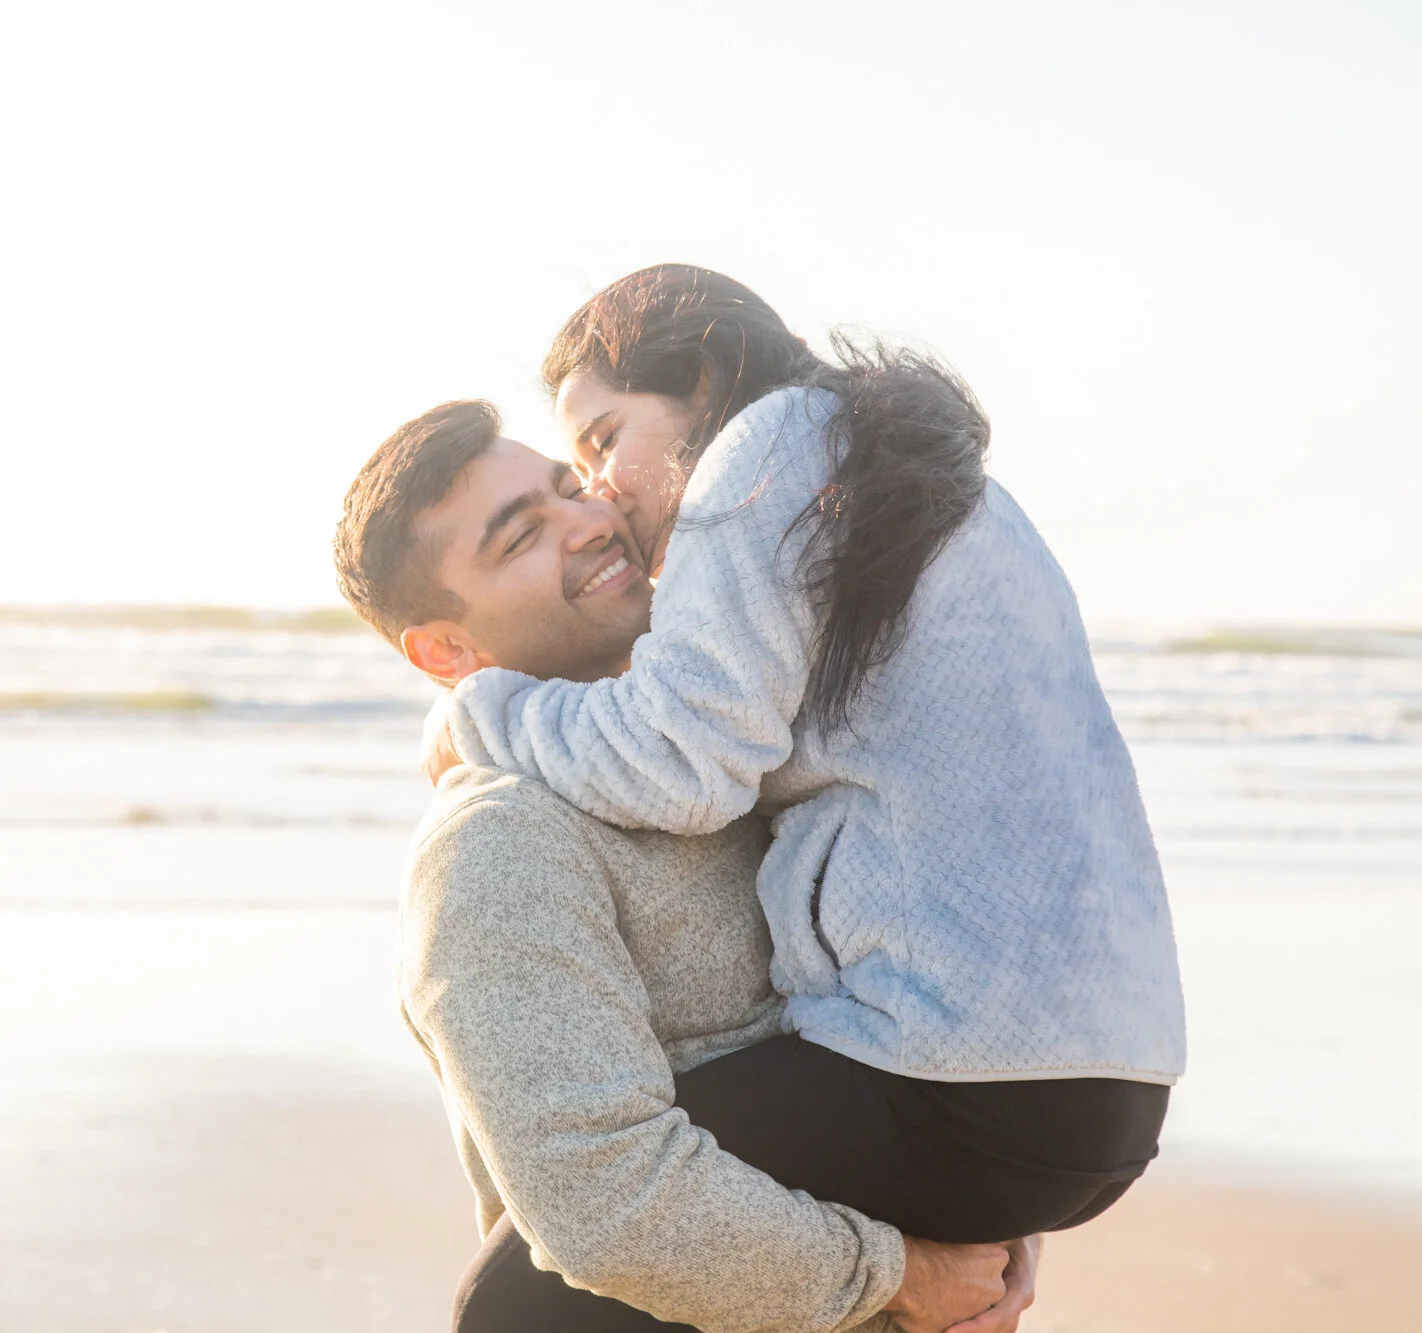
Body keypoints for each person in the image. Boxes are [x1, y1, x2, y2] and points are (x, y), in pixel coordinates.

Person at [424, 266, 1185, 1248]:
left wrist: (481, 708)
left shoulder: (756, 450)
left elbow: (678, 761)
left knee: (532, 1283)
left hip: (950, 1080)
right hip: (1105, 1090)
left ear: (699, 385)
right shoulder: (927, 477)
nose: (602, 490)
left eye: (604, 440)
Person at [334, 401, 1039, 1332]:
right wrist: (904, 1275)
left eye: (567, 487)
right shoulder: (501, 843)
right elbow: (609, 1205)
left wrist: (990, 1208)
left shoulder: (751, 755)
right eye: (522, 538)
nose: (590, 522)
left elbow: (903, 1020)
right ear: (448, 650)